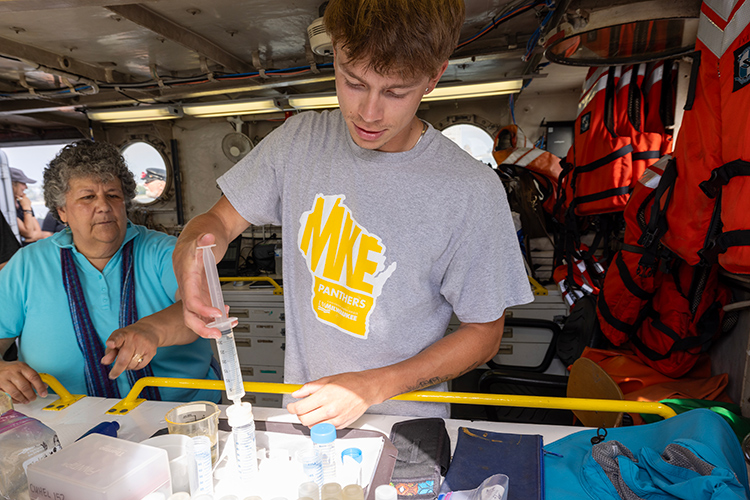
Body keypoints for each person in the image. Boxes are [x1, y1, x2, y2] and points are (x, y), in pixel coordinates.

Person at [173, 0, 532, 428]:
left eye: (395, 92)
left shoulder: (471, 190)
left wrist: (371, 386)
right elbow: (217, 223)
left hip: (406, 430)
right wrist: (190, 257)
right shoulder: (298, 143)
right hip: (306, 418)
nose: (369, 113)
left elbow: (484, 334)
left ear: (434, 76)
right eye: (353, 81)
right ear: (336, 55)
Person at [0, 140, 220, 405]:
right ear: (62, 211)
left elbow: (200, 308)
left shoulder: (164, 251)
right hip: (63, 421)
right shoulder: (27, 265)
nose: (103, 205)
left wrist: (152, 330)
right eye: (87, 197)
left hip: (180, 413)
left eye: (113, 195)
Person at [11, 167, 52, 244]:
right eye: (23, 184)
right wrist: (26, 208)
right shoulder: (8, 209)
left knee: (47, 235)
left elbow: (38, 233)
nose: (26, 187)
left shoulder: (22, 204)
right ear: (13, 185)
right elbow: (29, 233)